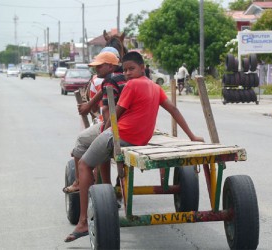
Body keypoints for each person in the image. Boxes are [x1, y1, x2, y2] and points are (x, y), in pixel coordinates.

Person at [64, 51, 203, 242]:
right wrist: (192, 136)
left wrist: (103, 132)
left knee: (84, 165)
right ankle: (103, 195)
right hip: (141, 138)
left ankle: (82, 223)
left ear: (142, 68)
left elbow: (115, 115)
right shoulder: (155, 87)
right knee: (96, 150)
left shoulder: (131, 85)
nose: (128, 73)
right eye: (126, 70)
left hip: (120, 135)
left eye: (132, 69)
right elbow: (173, 109)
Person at [62, 48, 125, 194]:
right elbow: (102, 93)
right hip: (131, 123)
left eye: (99, 65)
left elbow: (105, 109)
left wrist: (105, 131)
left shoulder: (105, 81)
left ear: (110, 66)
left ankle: (79, 181)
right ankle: (108, 186)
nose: (96, 69)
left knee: (82, 138)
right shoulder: (126, 76)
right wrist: (90, 105)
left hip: (115, 124)